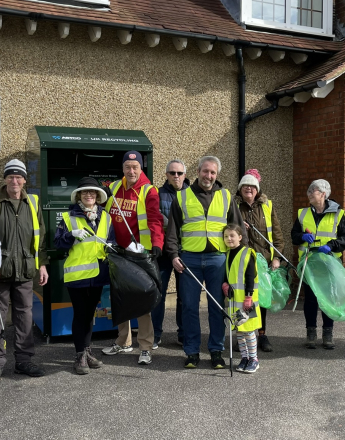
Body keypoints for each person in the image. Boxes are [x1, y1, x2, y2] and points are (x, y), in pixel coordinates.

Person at [165, 155, 247, 369]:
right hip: (189, 260)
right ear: (198, 171)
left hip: (217, 260)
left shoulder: (226, 197)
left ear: (216, 175)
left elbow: (239, 229)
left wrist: (241, 257)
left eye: (212, 172)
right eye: (205, 171)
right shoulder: (181, 197)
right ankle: (192, 352)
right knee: (189, 307)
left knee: (217, 307)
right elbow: (172, 231)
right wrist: (173, 255)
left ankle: (216, 351)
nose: (208, 176)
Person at [0, 159, 49, 383]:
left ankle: (24, 361)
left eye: (18, 176)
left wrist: (42, 264)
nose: (14, 180)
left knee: (24, 317)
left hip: (25, 271)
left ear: (24, 179)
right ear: (4, 179)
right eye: (10, 176)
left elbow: (40, 236)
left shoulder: (33, 202)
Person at [101, 151, 164, 366]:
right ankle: (123, 341)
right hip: (118, 253)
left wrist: (157, 243)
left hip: (139, 254)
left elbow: (155, 219)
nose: (131, 171)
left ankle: (145, 347)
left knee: (141, 301)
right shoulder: (114, 188)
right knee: (120, 297)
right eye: (127, 167)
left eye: (135, 167)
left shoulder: (149, 190)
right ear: (123, 169)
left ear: (141, 169)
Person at [53, 178, 116, 375]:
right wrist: (72, 235)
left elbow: (110, 241)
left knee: (90, 316)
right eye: (84, 192)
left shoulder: (105, 217)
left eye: (92, 193)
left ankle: (87, 351)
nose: (89, 195)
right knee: (80, 315)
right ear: (79, 195)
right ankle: (79, 355)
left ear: (97, 196)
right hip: (78, 276)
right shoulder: (68, 216)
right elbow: (58, 244)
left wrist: (112, 247)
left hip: (98, 275)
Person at [291, 179, 345, 349]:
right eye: (309, 191)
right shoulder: (303, 213)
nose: (309, 194)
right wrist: (302, 235)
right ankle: (311, 333)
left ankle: (328, 333)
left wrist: (331, 246)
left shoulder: (339, 214)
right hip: (310, 263)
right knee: (310, 300)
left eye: (313, 191)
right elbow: (294, 235)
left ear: (323, 194)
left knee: (328, 298)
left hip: (329, 263)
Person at [235, 169, 284, 352]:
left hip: (263, 260)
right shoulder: (234, 206)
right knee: (242, 298)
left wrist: (277, 257)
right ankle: (243, 335)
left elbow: (277, 234)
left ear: (257, 189)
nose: (249, 189)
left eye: (252, 186)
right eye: (245, 186)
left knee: (261, 300)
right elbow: (228, 231)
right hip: (242, 260)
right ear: (240, 189)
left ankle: (261, 335)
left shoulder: (267, 206)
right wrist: (240, 227)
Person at [152, 159, 190, 348]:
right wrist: (173, 225)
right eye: (172, 173)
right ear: (166, 175)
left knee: (184, 296)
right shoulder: (157, 194)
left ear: (185, 174)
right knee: (158, 295)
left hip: (186, 252)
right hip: (163, 254)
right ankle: (155, 335)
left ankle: (182, 334)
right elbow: (156, 218)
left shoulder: (192, 195)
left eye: (179, 173)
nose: (176, 176)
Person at [221, 224, 262, 373]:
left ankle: (254, 359)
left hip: (247, 300)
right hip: (234, 301)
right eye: (226, 236)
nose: (229, 239)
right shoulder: (227, 254)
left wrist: (248, 297)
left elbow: (250, 276)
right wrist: (225, 283)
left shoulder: (247, 253)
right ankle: (244, 357)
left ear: (240, 237)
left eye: (232, 235)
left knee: (249, 330)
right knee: (238, 330)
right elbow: (228, 273)